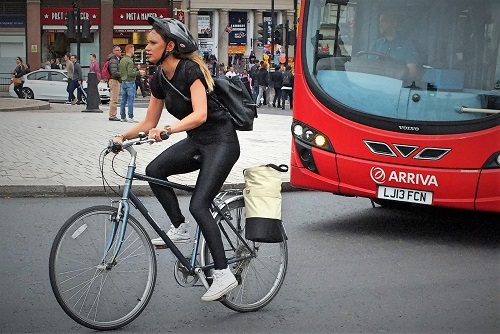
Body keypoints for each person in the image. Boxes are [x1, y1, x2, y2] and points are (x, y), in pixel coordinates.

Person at [112, 17, 240, 302]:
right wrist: (122, 136)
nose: (147, 47)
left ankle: (223, 274)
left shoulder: (190, 70)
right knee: (155, 169)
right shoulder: (159, 76)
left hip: (222, 142)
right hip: (197, 142)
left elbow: (200, 115)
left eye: (153, 43)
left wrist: (168, 130)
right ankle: (178, 227)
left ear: (170, 46)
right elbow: (149, 121)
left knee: (199, 205)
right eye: (148, 42)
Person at [370, 11, 418, 82]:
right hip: (375, 82)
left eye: (383, 21)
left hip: (397, 84)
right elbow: (368, 65)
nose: (380, 25)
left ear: (394, 23)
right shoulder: (376, 44)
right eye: (379, 22)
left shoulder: (407, 45)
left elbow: (412, 72)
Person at [118, 44, 138, 122]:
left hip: (123, 81)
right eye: (133, 49)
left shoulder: (122, 60)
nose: (134, 51)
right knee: (130, 100)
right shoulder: (129, 61)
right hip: (130, 81)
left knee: (123, 100)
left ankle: (122, 117)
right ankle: (131, 116)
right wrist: (139, 72)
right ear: (130, 50)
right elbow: (130, 73)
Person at [107, 45, 122, 121]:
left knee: (114, 98)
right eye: (118, 50)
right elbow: (114, 72)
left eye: (120, 50)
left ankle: (113, 114)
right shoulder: (113, 60)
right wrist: (123, 73)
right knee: (114, 99)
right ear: (114, 51)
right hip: (114, 80)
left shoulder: (115, 59)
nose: (120, 51)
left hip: (114, 80)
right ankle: (112, 115)